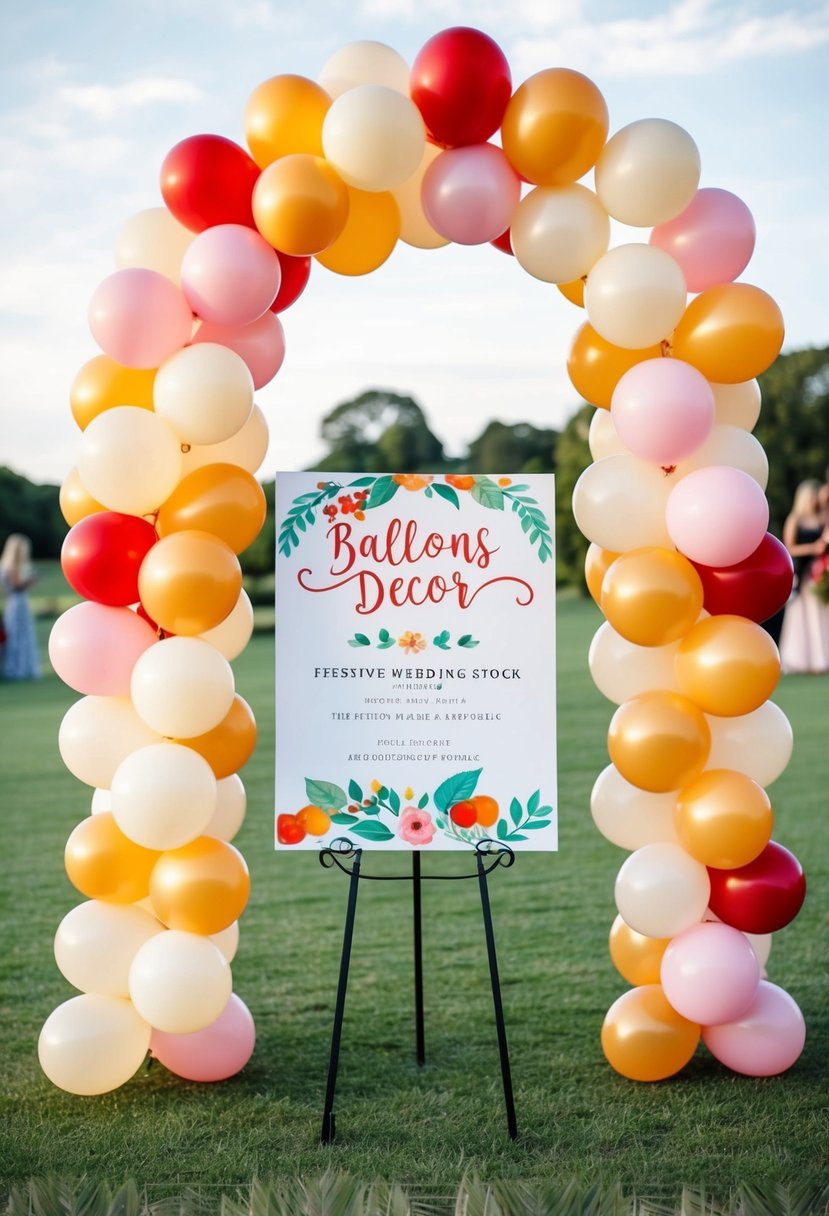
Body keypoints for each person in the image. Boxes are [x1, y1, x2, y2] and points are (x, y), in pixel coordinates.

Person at [778, 480, 829, 674]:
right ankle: (798, 659)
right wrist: (812, 548)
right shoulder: (795, 520)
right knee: (801, 615)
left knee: (820, 615)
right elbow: (788, 548)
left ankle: (820, 658)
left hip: (818, 573)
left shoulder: (820, 518)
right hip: (803, 573)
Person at [0, 533, 41, 681]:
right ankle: (20, 668)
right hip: (18, 603)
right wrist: (31, 580)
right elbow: (17, 586)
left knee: (17, 635)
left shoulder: (5, 566)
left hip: (14, 603)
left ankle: (20, 668)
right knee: (20, 636)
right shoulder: (12, 567)